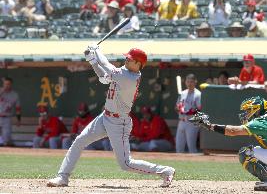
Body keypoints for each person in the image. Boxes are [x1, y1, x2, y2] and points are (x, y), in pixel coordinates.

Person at [47, 46, 175, 188]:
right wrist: (93, 62)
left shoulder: (130, 77)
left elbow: (107, 67)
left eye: (130, 58)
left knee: (126, 164)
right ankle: (63, 177)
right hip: (105, 117)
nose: (126, 59)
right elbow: (103, 78)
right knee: (79, 141)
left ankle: (165, 171)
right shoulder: (124, 71)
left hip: (118, 122)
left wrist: (97, 52)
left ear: (138, 64)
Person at [189, 96, 267, 191]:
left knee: (246, 153)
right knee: (256, 150)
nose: (246, 114)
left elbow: (233, 131)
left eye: (248, 110)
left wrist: (209, 126)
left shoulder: (260, 121)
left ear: (257, 109)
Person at [175, 74, 201, 153]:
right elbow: (176, 107)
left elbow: (200, 109)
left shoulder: (198, 94)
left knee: (191, 147)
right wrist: (179, 108)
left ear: (195, 82)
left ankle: (196, 164)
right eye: (188, 82)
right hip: (182, 121)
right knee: (179, 147)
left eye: (191, 82)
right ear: (185, 82)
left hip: (192, 122)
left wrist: (190, 110)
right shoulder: (182, 93)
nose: (189, 84)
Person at [0, 77, 21, 146]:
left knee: (6, 137)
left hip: (7, 118)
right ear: (3, 84)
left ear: (11, 84)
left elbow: (18, 108)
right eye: (5, 84)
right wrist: (2, 90)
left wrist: (18, 120)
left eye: (8, 84)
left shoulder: (15, 95)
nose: (7, 85)